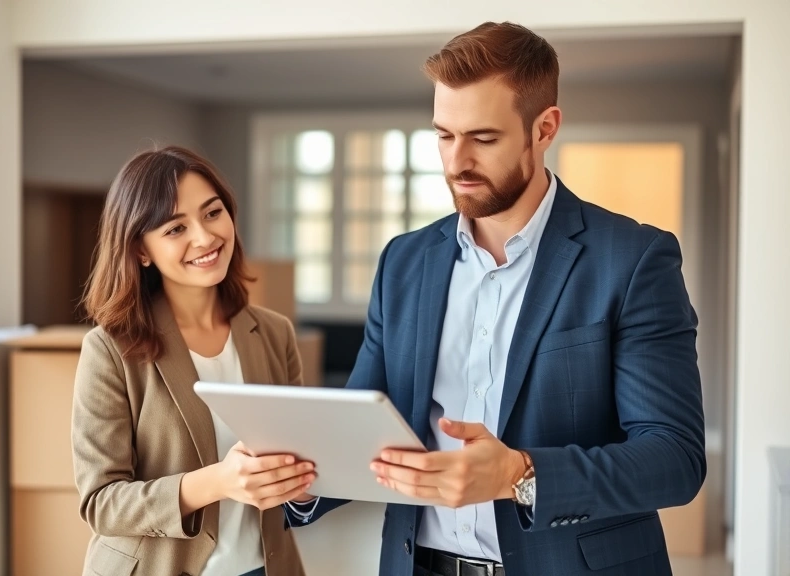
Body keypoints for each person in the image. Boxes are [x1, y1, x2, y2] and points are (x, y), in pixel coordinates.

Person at [285, 22, 705, 576]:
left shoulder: (632, 260)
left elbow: (674, 457)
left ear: (544, 128)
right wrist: (298, 475)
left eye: (483, 138)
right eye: (443, 135)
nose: (456, 162)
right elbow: (365, 433)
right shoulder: (403, 263)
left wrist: (519, 473)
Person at [72, 145, 314, 576]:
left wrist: (302, 482)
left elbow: (297, 471)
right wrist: (218, 481)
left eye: (212, 213)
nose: (204, 237)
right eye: (175, 228)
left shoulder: (274, 333)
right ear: (141, 251)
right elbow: (101, 503)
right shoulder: (110, 349)